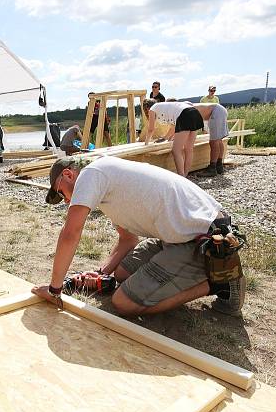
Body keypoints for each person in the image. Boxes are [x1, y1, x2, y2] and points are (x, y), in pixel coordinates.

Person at [31, 156, 245, 317]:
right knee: (121, 274)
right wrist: (102, 273)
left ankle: (219, 282)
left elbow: (71, 233)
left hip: (203, 239)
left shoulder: (91, 173)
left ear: (68, 174)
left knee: (124, 303)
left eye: (62, 194)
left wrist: (54, 290)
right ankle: (202, 274)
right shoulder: (109, 181)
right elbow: (128, 240)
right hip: (180, 234)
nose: (67, 201)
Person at [139, 99, 203, 176]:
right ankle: (185, 175)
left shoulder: (152, 109)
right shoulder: (165, 107)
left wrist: (146, 144)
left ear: (147, 108)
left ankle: (181, 177)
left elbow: (150, 129)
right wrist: (165, 138)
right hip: (195, 113)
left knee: (176, 151)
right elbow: (173, 127)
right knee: (188, 149)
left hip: (185, 115)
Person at [192, 103, 229, 175]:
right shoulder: (186, 106)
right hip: (219, 110)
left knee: (213, 142)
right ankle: (219, 165)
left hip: (216, 111)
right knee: (218, 140)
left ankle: (212, 168)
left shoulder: (183, 109)